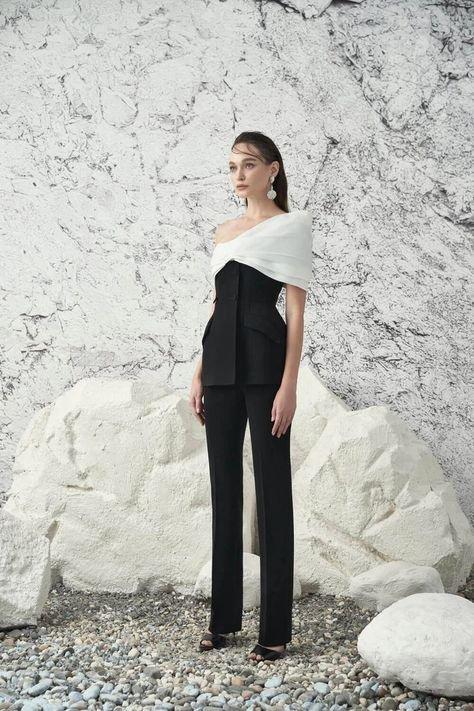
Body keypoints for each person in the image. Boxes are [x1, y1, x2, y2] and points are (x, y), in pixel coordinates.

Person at [189, 131, 313, 662]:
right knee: (224, 490)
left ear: (272, 170)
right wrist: (198, 372)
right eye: (232, 167)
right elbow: (218, 304)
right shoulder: (224, 231)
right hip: (218, 364)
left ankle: (276, 631)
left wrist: (289, 385)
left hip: (266, 367)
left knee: (273, 491)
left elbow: (296, 312)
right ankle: (223, 621)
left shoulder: (292, 226)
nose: (238, 176)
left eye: (249, 165)